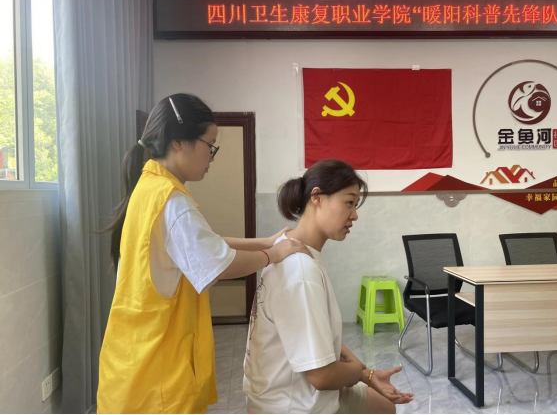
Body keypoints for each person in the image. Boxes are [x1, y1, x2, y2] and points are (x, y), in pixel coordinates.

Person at [97, 93, 310, 414]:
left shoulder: (149, 186)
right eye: (209, 145)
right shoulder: (172, 201)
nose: (212, 156)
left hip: (132, 357)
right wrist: (274, 255)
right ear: (178, 142)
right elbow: (218, 263)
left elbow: (202, 245)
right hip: (157, 373)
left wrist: (265, 242)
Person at [243, 159, 414, 414]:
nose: (354, 215)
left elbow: (312, 334)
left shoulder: (288, 243)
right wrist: (356, 371)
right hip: (292, 405)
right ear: (317, 197)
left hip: (294, 391)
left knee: (384, 406)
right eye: (349, 202)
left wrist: (366, 375)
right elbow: (322, 376)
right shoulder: (301, 270)